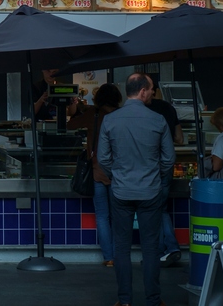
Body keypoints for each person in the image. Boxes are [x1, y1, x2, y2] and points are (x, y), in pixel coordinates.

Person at [98, 73, 174, 306]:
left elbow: (103, 158)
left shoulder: (110, 120)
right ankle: (153, 300)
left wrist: (118, 175)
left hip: (120, 192)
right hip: (151, 192)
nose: (153, 92)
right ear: (142, 91)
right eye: (151, 89)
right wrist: (153, 175)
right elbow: (169, 159)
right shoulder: (158, 120)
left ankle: (125, 300)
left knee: (121, 247)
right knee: (150, 248)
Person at [67, 82, 122, 267]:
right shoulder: (122, 116)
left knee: (102, 216)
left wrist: (77, 110)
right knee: (119, 215)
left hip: (98, 171)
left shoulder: (93, 115)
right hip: (120, 173)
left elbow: (69, 125)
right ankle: (120, 255)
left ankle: (109, 258)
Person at [147, 81, 184, 267]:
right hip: (166, 165)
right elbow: (179, 138)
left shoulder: (143, 111)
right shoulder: (168, 108)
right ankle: (164, 251)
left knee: (156, 209)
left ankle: (169, 248)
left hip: (148, 166)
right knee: (160, 208)